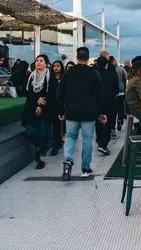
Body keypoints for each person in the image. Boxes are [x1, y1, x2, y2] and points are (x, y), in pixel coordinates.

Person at [57, 47, 106, 180]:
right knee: (87, 139)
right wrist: (102, 112)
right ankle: (85, 168)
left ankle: (67, 161)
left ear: (76, 57)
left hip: (71, 111)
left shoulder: (68, 73)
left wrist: (61, 110)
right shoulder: (94, 73)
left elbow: (60, 93)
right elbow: (100, 94)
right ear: (88, 57)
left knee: (70, 136)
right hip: (89, 112)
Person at [22, 54, 57, 170]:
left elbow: (51, 94)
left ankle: (41, 158)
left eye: (41, 61)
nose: (38, 63)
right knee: (30, 131)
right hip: (30, 109)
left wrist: (41, 105)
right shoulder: (30, 76)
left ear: (46, 64)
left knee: (43, 133)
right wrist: (37, 99)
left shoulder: (50, 76)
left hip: (46, 110)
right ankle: (38, 147)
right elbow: (26, 91)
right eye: (37, 61)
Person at [95, 56, 118, 155]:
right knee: (109, 123)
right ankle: (104, 144)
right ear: (106, 65)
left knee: (99, 122)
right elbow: (116, 90)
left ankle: (99, 140)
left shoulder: (94, 75)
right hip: (110, 102)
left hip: (97, 102)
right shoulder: (112, 75)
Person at [48, 60, 65, 156]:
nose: (56, 68)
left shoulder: (64, 77)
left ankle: (57, 144)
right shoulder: (50, 78)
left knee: (57, 126)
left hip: (61, 105)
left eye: (58, 66)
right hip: (51, 104)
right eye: (54, 66)